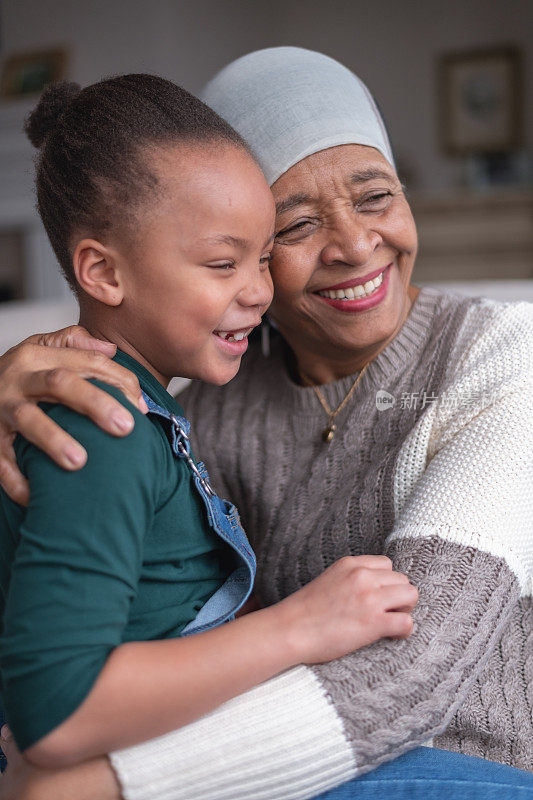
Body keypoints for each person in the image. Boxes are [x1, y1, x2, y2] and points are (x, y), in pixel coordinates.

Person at [0, 47, 532, 800]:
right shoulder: (195, 396)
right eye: (297, 225)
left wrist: (108, 784)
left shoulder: (505, 359)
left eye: (375, 195)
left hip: (459, 763)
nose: (352, 245)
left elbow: (416, 670)